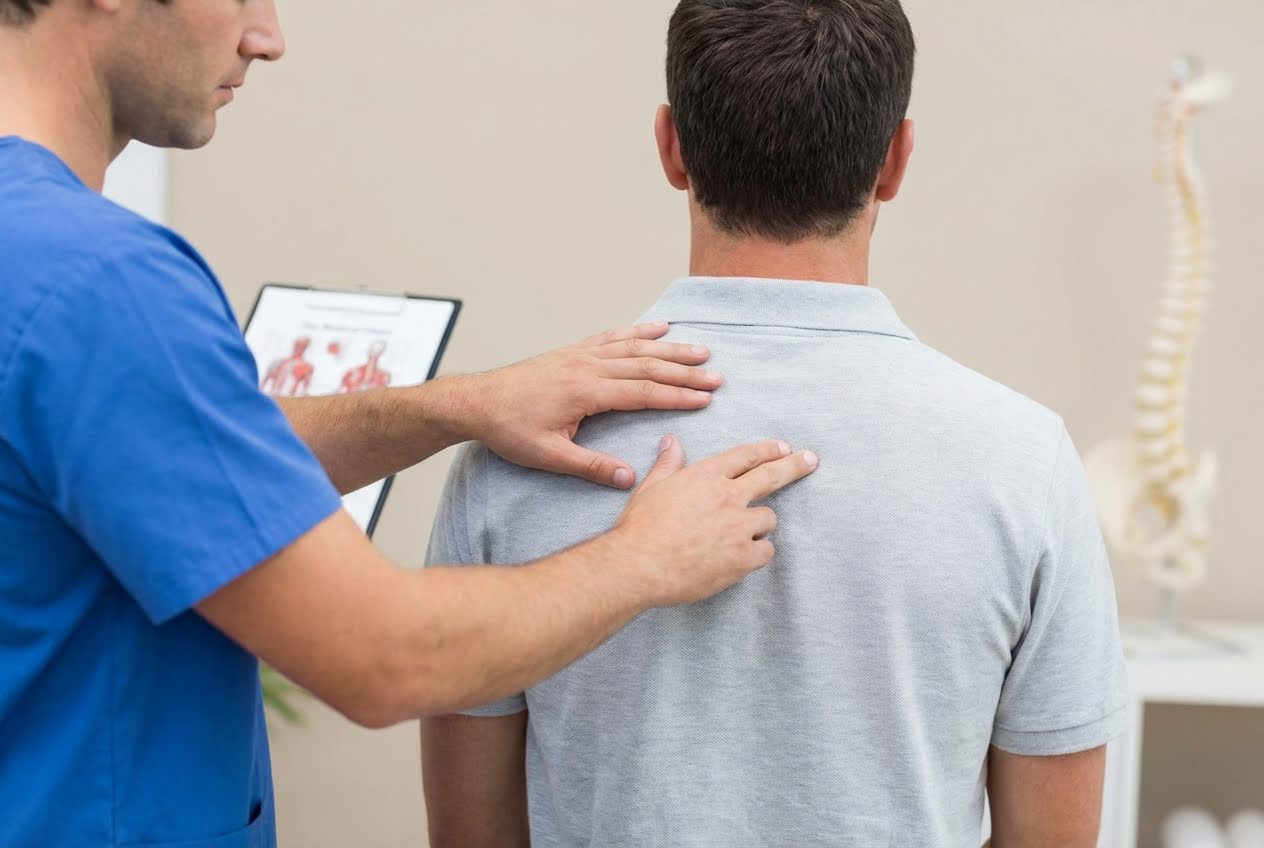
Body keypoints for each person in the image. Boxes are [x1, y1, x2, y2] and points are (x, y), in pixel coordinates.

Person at [0, 1, 820, 845]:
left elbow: (149, 460)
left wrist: (456, 405)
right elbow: (381, 656)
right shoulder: (100, 284)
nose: (267, 36)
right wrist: (645, 556)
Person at [420, 1, 1129, 846]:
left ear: (671, 147)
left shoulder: (520, 455)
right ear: (896, 158)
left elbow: (471, 833)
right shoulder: (1024, 460)